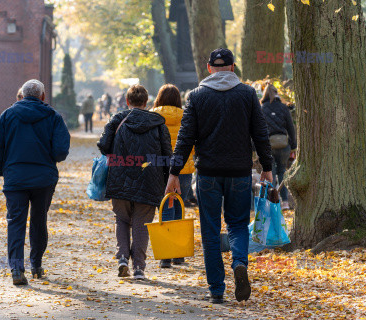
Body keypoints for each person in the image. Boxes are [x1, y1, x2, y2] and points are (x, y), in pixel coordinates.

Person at [165, 48, 274, 304]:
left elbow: (185, 138)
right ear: (233, 68)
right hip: (239, 173)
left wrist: (173, 172)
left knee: (211, 231)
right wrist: (267, 169)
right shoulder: (247, 94)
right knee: (237, 225)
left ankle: (216, 290)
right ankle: (239, 262)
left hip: (208, 174)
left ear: (209, 67)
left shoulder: (197, 95)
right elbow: (260, 133)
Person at [0, 79, 70, 285]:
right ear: (42, 96)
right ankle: (36, 265)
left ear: (22, 95)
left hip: (15, 179)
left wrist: (4, 172)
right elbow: (61, 151)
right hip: (43, 179)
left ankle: (16, 269)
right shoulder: (53, 117)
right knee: (39, 221)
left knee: (15, 223)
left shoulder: (7, 115)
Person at [97, 84, 172, 280]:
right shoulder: (158, 124)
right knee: (142, 223)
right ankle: (139, 268)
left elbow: (103, 146)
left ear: (127, 101)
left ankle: (122, 258)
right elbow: (167, 155)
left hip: (120, 177)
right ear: (146, 103)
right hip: (150, 179)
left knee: (121, 219)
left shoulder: (118, 120)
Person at [150, 84, 195, 269]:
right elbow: (192, 143)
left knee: (164, 208)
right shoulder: (187, 116)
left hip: (159, 168)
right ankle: (177, 254)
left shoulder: (152, 116)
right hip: (183, 169)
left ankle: (165, 255)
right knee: (179, 207)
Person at [260, 84, 297, 210]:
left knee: (270, 173)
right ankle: (285, 202)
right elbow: (290, 128)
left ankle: (271, 202)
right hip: (283, 145)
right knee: (282, 173)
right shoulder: (283, 108)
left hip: (268, 146)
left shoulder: (262, 108)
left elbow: (257, 130)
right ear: (277, 94)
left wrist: (255, 148)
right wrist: (293, 146)